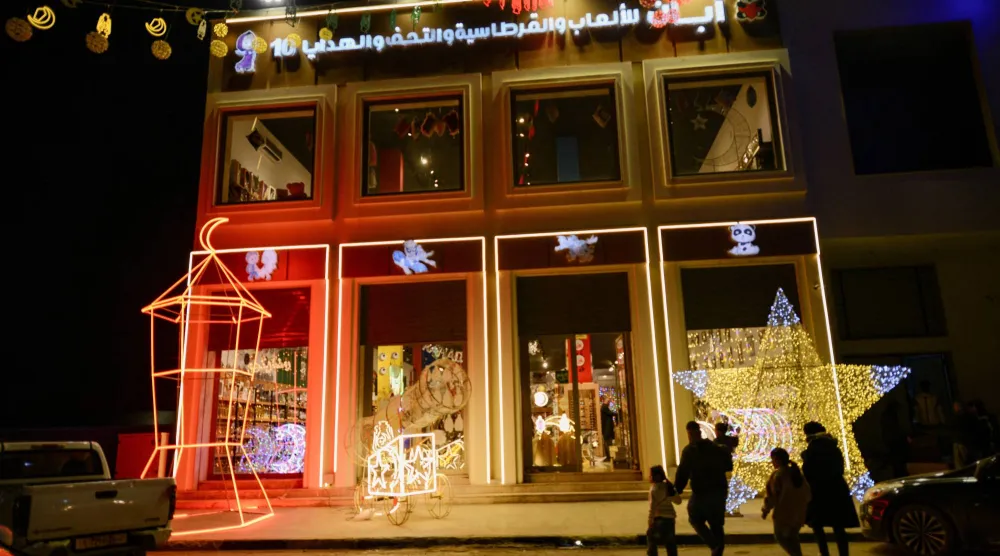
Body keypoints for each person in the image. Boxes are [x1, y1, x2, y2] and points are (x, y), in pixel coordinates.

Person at [801, 422, 859, 556]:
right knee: (838, 526)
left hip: (819, 491)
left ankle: (824, 553)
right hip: (836, 489)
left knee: (817, 525)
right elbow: (840, 468)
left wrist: (805, 457)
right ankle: (844, 553)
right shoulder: (833, 446)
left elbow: (808, 470)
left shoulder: (813, 448)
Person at [675, 421, 730, 556]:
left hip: (702, 492)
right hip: (718, 491)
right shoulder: (716, 448)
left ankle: (714, 545)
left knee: (695, 518)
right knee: (716, 524)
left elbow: (683, 471)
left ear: (690, 433)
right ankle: (717, 550)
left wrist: (677, 488)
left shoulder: (690, 450)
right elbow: (728, 466)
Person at [762, 448, 811, 556]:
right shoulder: (796, 473)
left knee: (781, 537)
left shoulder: (778, 475)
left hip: (783, 513)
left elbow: (772, 496)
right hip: (798, 512)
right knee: (792, 537)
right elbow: (807, 493)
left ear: (777, 460)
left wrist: (765, 510)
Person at [646, 465, 681, 556]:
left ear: (653, 476)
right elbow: (678, 501)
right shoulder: (668, 487)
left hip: (659, 518)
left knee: (651, 538)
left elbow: (652, 506)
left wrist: (650, 519)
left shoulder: (653, 489)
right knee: (670, 543)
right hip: (670, 518)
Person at [714, 421, 740, 517]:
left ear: (719, 431)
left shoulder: (716, 442)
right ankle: (726, 506)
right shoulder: (730, 440)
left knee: (721, 489)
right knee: (724, 488)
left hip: (719, 468)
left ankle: (722, 507)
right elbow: (736, 442)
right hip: (728, 466)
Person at [880, 400, 910, 478]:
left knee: (896, 461)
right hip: (895, 441)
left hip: (891, 440)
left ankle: (899, 473)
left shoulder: (886, 416)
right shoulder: (892, 417)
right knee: (899, 460)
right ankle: (901, 474)